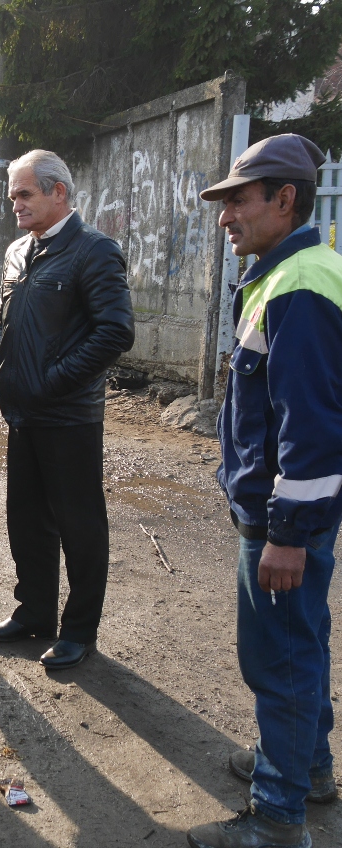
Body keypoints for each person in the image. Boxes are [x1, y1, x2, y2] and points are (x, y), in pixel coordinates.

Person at [187, 135, 342, 848]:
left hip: (284, 522)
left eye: (237, 201)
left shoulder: (299, 287)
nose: (224, 217)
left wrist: (287, 534)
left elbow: (311, 427)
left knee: (278, 658)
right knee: (299, 641)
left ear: (284, 200)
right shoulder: (292, 273)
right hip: (290, 514)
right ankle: (306, 768)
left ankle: (278, 818)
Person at [0, 149, 134, 670]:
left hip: (69, 417)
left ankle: (79, 631)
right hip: (22, 413)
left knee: (79, 526)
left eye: (24, 194)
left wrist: (52, 382)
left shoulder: (95, 251)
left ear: (58, 192)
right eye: (12, 196)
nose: (15, 205)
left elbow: (115, 331)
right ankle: (34, 613)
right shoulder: (17, 251)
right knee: (25, 520)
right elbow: (2, 320)